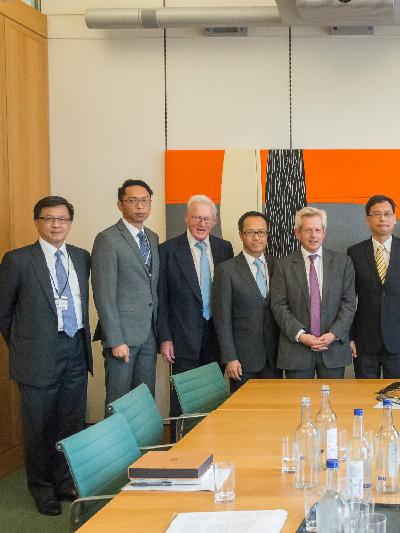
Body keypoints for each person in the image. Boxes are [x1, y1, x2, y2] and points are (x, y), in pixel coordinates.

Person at [0, 196, 92, 515]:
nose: (57, 225)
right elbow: (4, 313)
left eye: (63, 219)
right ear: (37, 222)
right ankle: (41, 488)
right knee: (39, 426)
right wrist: (26, 348)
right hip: (37, 355)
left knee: (71, 420)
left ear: (70, 222)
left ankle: (64, 481)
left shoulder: (81, 257)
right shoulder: (18, 260)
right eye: (49, 219)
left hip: (75, 350)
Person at [158, 195, 234, 413]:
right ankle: (181, 445)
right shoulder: (168, 250)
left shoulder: (224, 249)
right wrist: (165, 338)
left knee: (213, 401)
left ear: (214, 221)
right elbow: (161, 298)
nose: (202, 224)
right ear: (186, 219)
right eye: (197, 218)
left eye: (207, 219)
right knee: (182, 403)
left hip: (216, 340)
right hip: (182, 341)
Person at [92, 179, 159, 406]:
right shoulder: (107, 239)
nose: (140, 206)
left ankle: (141, 444)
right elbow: (104, 294)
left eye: (144, 201)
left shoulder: (152, 237)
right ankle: (115, 443)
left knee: (144, 399)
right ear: (120, 205)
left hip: (149, 334)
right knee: (118, 401)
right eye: (132, 201)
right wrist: (115, 339)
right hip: (122, 337)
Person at [271, 207, 356, 378]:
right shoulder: (283, 265)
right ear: (297, 233)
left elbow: (349, 303)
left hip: (332, 348)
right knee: (299, 403)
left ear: (324, 232)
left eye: (318, 230)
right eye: (307, 230)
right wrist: (301, 335)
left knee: (332, 402)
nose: (313, 235)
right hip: (297, 350)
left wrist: (333, 334)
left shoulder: (343, 263)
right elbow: (279, 305)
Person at [347, 195, 400, 378]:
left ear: (394, 219)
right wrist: (349, 337)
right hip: (365, 341)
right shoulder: (354, 253)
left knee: (397, 396)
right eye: (377, 214)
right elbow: (348, 299)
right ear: (367, 219)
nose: (382, 219)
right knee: (365, 397)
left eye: (387, 214)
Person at [212, 211, 280, 392]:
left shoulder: (278, 266)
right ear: (241, 235)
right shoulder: (226, 270)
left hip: (274, 357)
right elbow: (222, 318)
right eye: (250, 232)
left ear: (267, 235)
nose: (256, 237)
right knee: (245, 414)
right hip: (243, 360)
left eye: (261, 232)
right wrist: (230, 357)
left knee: (274, 411)